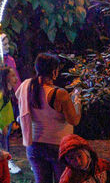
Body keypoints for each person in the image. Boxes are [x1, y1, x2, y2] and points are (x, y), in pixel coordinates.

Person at [16, 53, 82, 183]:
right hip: (57, 146)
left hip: (34, 144)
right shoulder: (60, 94)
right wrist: (77, 101)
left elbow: (20, 101)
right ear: (54, 71)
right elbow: (74, 120)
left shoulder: (27, 87)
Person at [0, 66, 21, 174]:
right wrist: (1, 126)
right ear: (5, 78)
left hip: (4, 126)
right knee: (1, 149)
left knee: (3, 147)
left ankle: (6, 166)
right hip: (0, 128)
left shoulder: (6, 93)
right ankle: (4, 168)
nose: (16, 78)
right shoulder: (1, 94)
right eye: (13, 76)